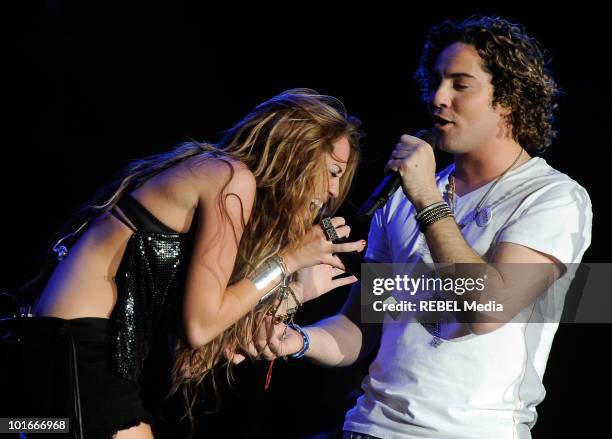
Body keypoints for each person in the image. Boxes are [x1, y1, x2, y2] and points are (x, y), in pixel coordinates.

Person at [255, 16, 592, 438]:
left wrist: (429, 202)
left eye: (460, 84)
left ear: (508, 98)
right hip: (367, 427)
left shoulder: (551, 197)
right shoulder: (400, 197)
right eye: (434, 81)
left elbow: (486, 310)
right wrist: (298, 340)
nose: (438, 97)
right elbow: (361, 327)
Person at [0, 88, 367, 439]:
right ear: (296, 151)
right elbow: (200, 326)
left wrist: (296, 295)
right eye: (333, 172)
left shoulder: (223, 182)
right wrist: (287, 261)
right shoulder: (228, 178)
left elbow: (195, 358)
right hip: (75, 352)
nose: (334, 192)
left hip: (58, 353)